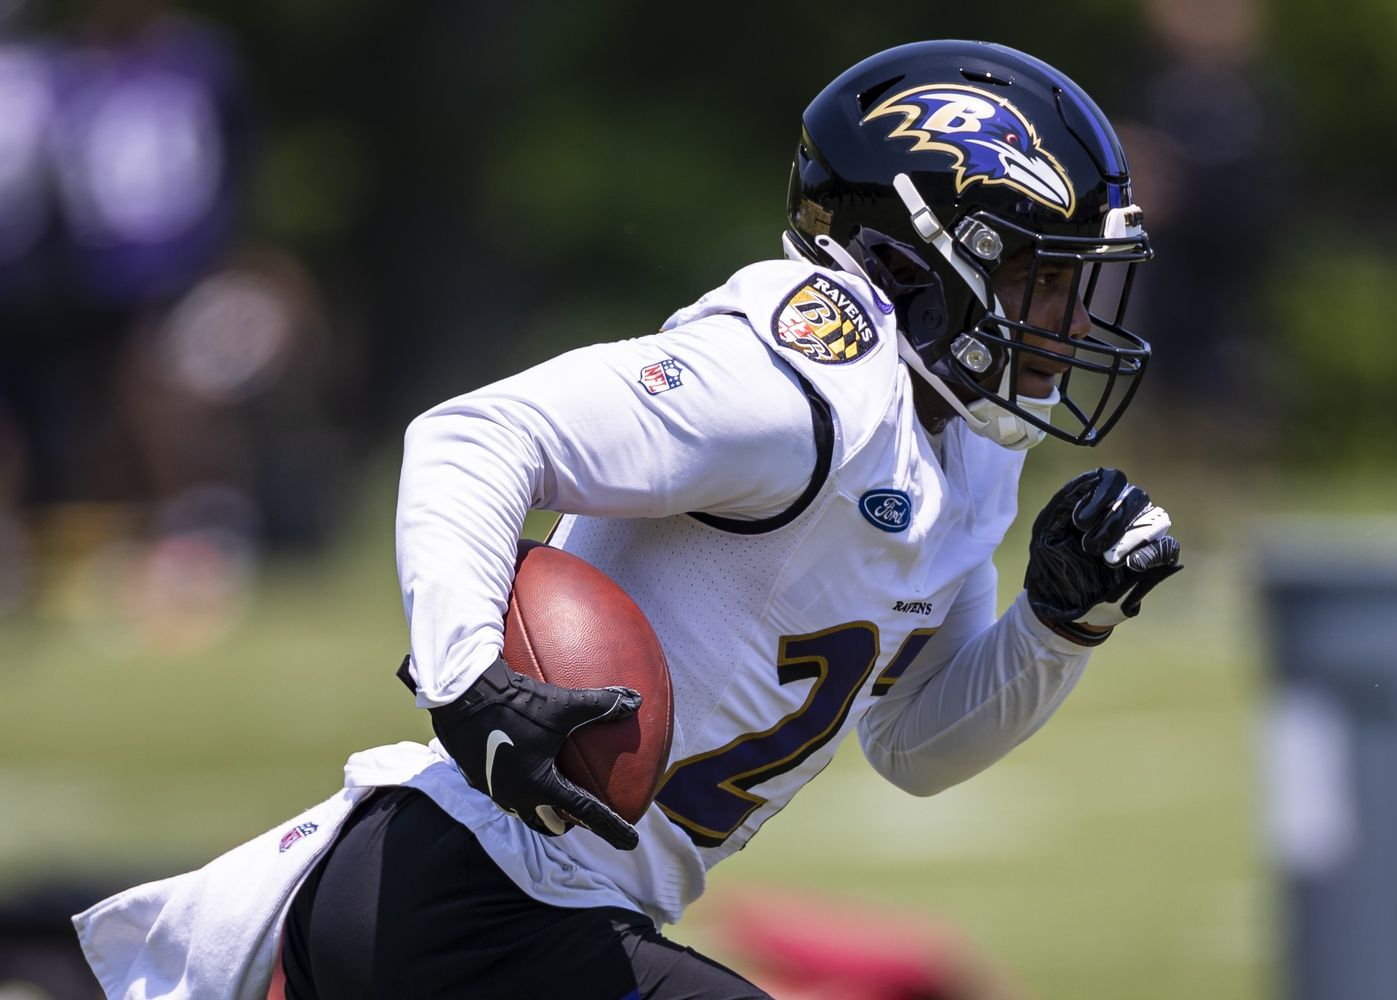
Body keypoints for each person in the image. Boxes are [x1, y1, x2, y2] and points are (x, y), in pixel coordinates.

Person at [73, 39, 1182, 1000]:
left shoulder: (965, 451)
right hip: (460, 891)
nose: (1069, 320)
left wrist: (1056, 625)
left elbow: (914, 746)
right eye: (1044, 279)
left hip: (540, 921)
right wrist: (466, 678)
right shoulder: (803, 381)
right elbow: (472, 436)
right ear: (928, 259)